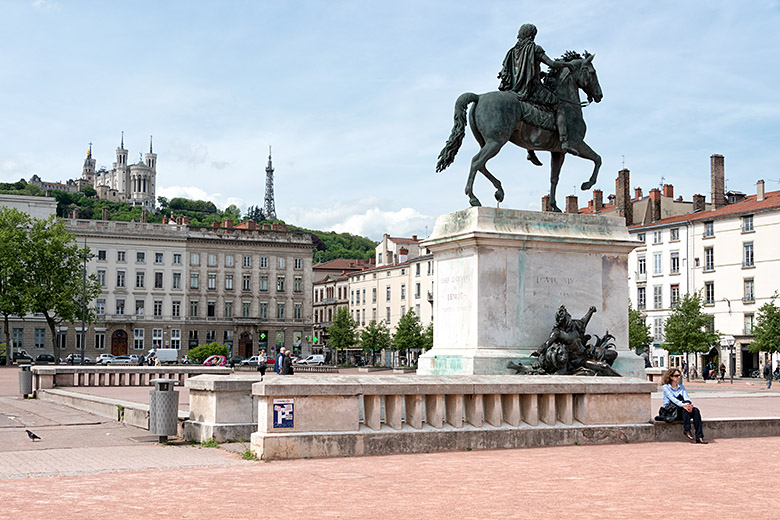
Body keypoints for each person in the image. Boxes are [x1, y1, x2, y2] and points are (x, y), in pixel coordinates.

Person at [497, 23, 576, 157]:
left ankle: (530, 149)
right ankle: (564, 141)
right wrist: (567, 64)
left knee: (533, 110)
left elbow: (507, 71)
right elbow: (552, 64)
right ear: (532, 35)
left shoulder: (511, 52)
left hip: (513, 89)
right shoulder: (534, 48)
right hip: (532, 89)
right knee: (558, 105)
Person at [661, 368, 708, 444]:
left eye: (679, 375)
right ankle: (687, 429)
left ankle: (699, 436)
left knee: (695, 411)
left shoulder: (681, 387)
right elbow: (673, 399)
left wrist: (689, 405)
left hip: (682, 409)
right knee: (684, 408)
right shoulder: (666, 387)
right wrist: (684, 405)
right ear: (670, 377)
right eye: (676, 376)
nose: (678, 377)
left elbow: (686, 397)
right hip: (671, 411)